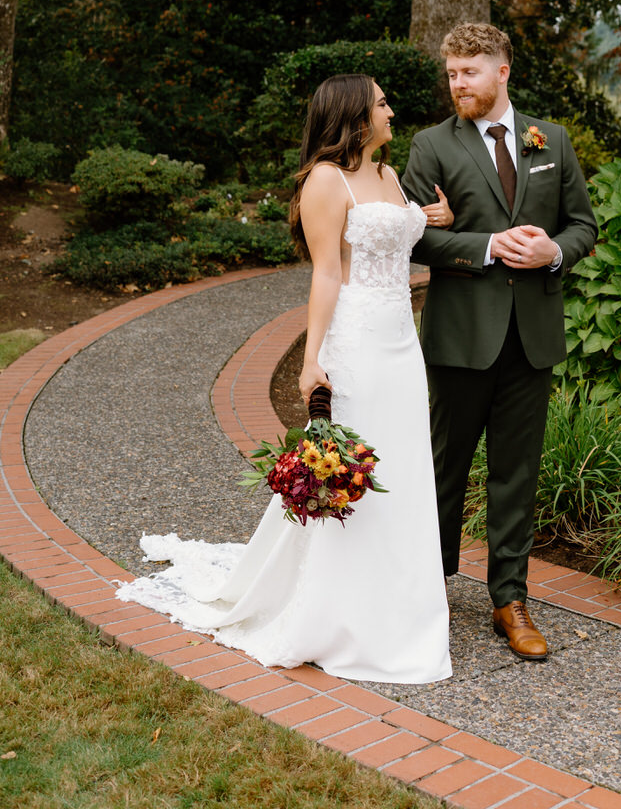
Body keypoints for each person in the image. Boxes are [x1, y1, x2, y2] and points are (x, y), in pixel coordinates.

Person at [116, 74, 452, 684]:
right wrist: (311, 358)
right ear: (354, 115)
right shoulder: (327, 180)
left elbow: (395, 240)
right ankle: (339, 612)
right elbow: (328, 273)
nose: (392, 110)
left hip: (403, 342)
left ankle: (398, 602)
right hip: (358, 340)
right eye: (381, 103)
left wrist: (431, 218)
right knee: (357, 467)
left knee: (402, 466)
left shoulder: (387, 173)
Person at [402, 23, 597, 662]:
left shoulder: (552, 140)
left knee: (517, 474)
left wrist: (551, 253)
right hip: (461, 337)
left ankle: (509, 600)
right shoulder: (431, 146)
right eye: (452, 72)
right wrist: (484, 246)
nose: (457, 83)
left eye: (469, 72)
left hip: (531, 338)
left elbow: (582, 226)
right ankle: (427, 591)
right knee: (443, 469)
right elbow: (409, 235)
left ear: (502, 71)